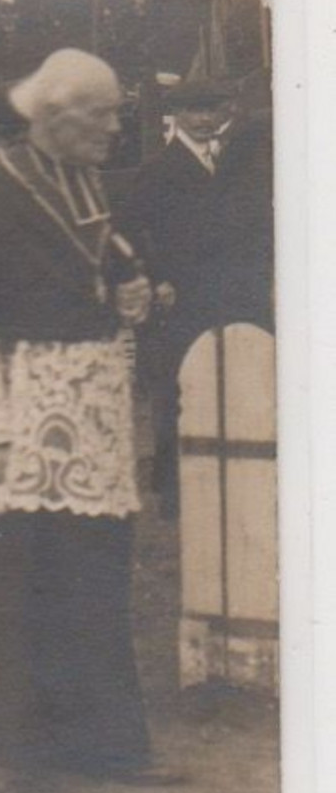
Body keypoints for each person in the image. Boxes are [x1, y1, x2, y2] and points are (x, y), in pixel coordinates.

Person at [0, 49, 180, 785]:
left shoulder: (82, 179)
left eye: (117, 110)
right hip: (25, 422)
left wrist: (125, 297)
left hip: (91, 418)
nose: (115, 125)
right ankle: (30, 746)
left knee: (91, 583)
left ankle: (106, 743)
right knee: (20, 585)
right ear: (57, 115)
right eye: (102, 112)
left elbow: (96, 269)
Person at [116, 77, 240, 518]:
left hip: (222, 292)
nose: (205, 120)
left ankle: (220, 475)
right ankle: (173, 492)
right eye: (195, 111)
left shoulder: (228, 165)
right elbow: (129, 231)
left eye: (212, 109)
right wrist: (157, 277)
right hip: (178, 298)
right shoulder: (160, 168)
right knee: (174, 388)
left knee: (223, 383)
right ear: (179, 116)